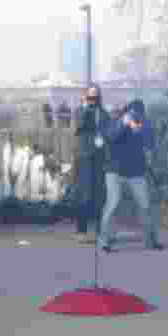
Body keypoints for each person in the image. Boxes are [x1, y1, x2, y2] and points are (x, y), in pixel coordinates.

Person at [97, 99, 162, 252]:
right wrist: (124, 124)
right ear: (126, 113)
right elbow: (111, 137)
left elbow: (150, 143)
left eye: (139, 115)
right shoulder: (115, 122)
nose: (136, 117)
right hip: (114, 171)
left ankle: (150, 241)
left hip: (136, 172)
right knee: (113, 203)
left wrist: (138, 129)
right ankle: (104, 241)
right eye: (133, 114)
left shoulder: (144, 125)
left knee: (145, 205)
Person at [72, 85, 111, 240]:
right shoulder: (80, 111)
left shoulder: (103, 113)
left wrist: (104, 140)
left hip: (99, 156)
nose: (92, 99)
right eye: (90, 96)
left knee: (99, 194)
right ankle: (81, 231)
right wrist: (85, 107)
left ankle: (100, 230)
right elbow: (79, 126)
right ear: (85, 96)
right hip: (84, 156)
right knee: (84, 193)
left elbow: (108, 131)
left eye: (95, 96)